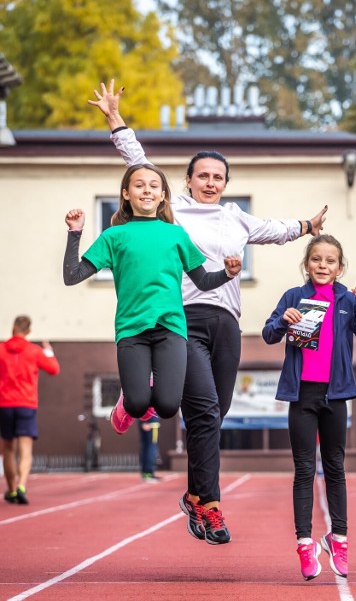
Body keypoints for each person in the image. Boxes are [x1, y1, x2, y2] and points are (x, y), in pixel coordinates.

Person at [89, 82, 327, 545]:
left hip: (227, 325)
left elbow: (276, 230)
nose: (211, 182)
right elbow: (139, 165)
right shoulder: (171, 211)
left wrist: (306, 227)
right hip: (183, 320)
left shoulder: (236, 217)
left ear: (225, 183)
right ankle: (211, 504)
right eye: (204, 175)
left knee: (212, 417)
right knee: (205, 411)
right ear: (189, 180)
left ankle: (196, 496)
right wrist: (116, 121)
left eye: (219, 177)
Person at [63, 163, 242, 441]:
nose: (147, 190)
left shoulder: (176, 235)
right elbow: (72, 276)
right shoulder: (114, 237)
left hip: (171, 327)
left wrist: (228, 273)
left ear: (162, 196)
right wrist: (74, 233)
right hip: (132, 328)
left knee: (169, 407)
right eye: (139, 185)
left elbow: (203, 282)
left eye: (153, 186)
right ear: (126, 193)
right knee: (136, 404)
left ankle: (144, 387)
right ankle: (128, 400)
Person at [262, 234, 356, 580]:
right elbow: (269, 333)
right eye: (316, 259)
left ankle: (338, 539)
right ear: (307, 264)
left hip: (335, 396)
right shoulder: (294, 297)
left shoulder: (347, 300)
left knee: (335, 468)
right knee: (303, 470)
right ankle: (304, 544)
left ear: (340, 267)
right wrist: (284, 320)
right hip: (302, 397)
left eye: (330, 261)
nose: (323, 266)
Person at [0, 316, 60, 505]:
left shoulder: (1, 350)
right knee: (25, 451)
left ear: (13, 328)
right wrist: (49, 353)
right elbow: (54, 369)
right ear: (28, 331)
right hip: (26, 404)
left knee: (8, 450)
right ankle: (22, 486)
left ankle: (10, 490)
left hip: (5, 404)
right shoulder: (34, 351)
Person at [139, 413, 161, 482]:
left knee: (146, 448)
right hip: (152, 424)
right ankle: (148, 473)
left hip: (145, 421)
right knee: (151, 448)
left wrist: (142, 422)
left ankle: (146, 473)